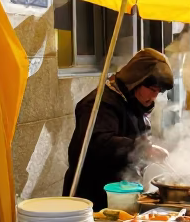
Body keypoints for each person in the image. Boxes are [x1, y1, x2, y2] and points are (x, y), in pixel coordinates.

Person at [66, 48, 174, 210]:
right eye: (152, 90)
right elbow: (97, 143)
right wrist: (143, 149)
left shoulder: (134, 102)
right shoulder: (98, 104)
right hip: (93, 197)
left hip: (123, 193)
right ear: (137, 79)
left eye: (158, 92)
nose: (154, 97)